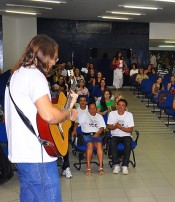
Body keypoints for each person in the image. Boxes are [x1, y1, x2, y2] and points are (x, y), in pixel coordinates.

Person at [4, 35, 78, 201]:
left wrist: (68, 105)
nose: (54, 62)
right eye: (54, 57)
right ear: (46, 55)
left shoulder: (16, 75)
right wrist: (68, 114)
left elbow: (39, 113)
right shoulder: (35, 77)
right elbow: (49, 115)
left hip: (22, 154)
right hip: (37, 156)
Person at [72, 100, 105, 176]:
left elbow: (102, 127)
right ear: (88, 109)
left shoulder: (99, 116)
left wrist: (98, 133)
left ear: (96, 109)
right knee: (90, 145)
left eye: (94, 108)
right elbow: (77, 122)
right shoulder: (84, 115)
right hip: (86, 135)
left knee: (99, 145)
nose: (93, 110)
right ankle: (88, 167)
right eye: (91, 108)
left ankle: (100, 167)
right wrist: (74, 130)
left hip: (96, 134)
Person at [107, 99, 134, 175]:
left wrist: (120, 127)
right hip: (115, 135)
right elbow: (110, 127)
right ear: (116, 105)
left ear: (125, 107)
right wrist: (115, 126)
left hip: (126, 135)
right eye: (119, 105)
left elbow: (130, 130)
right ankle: (116, 165)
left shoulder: (129, 115)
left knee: (128, 143)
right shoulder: (112, 114)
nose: (120, 107)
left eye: (123, 105)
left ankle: (125, 165)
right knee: (112, 143)